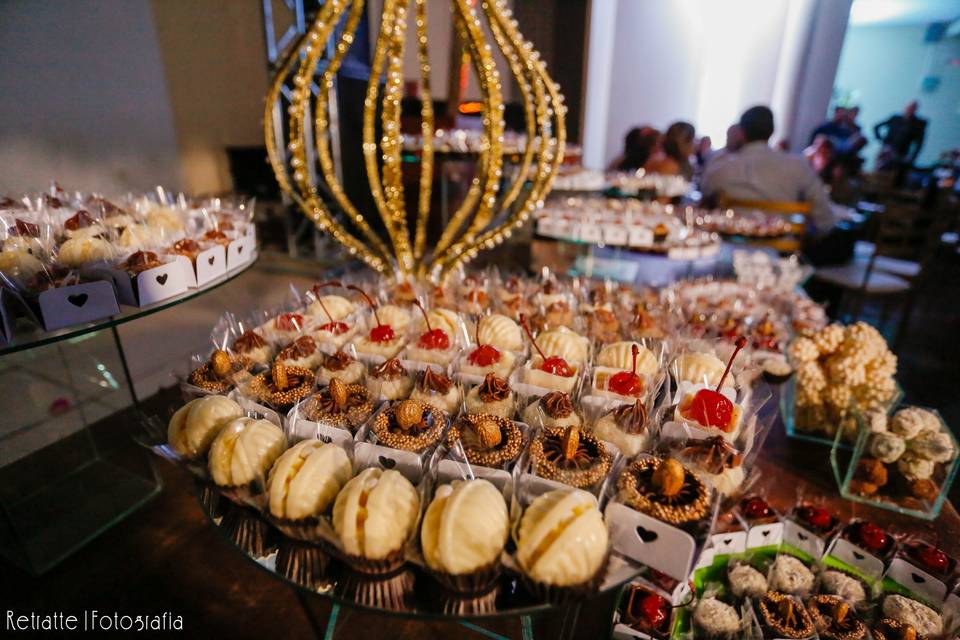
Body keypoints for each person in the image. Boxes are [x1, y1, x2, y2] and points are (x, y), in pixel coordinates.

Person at [701, 105, 836, 237]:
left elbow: (704, 196)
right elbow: (825, 220)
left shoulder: (721, 167)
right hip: (779, 253)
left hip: (728, 248)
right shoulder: (798, 166)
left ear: (741, 132)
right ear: (772, 131)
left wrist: (730, 148)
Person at [874, 100, 927, 171]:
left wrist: (913, 157)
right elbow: (876, 127)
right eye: (909, 107)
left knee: (892, 173)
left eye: (912, 108)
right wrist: (881, 140)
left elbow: (919, 143)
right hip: (886, 150)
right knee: (878, 170)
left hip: (900, 153)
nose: (910, 110)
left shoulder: (917, 125)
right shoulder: (896, 118)